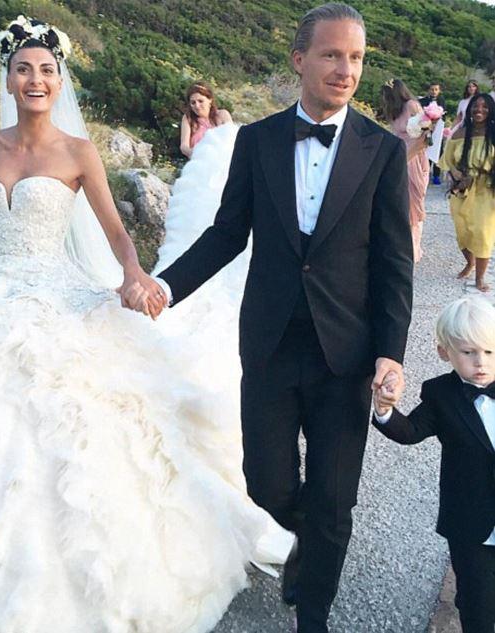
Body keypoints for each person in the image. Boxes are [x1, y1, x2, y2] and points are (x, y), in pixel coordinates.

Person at [0, 16, 292, 633]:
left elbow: (116, 230)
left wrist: (132, 274)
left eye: (46, 70)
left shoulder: (79, 152)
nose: (35, 80)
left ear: (60, 82)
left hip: (51, 285)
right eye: (23, 70)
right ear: (7, 79)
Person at [125, 4, 413, 632]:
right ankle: (303, 544)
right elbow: (228, 233)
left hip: (348, 352)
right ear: (299, 60)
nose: (346, 69)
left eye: (356, 57)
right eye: (332, 54)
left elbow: (395, 264)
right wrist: (165, 288)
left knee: (336, 501)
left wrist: (391, 350)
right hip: (271, 343)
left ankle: (314, 610)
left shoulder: (382, 152)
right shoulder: (255, 141)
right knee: (269, 487)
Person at [372, 296, 495, 633]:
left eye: (489, 351)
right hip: (471, 522)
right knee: (477, 601)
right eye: (468, 352)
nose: (480, 362)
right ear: (445, 353)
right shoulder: (441, 395)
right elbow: (411, 431)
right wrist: (384, 411)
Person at [439, 93, 495, 292]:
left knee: (482, 232)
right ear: (469, 109)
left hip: (486, 190)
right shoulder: (460, 133)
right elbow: (447, 160)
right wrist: (457, 176)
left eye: (485, 107)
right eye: (476, 106)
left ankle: (480, 277)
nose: (479, 110)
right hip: (460, 189)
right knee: (462, 232)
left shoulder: (493, 134)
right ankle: (469, 263)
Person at [380, 78, 430, 262]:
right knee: (401, 201)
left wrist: (412, 152)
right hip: (399, 155)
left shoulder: (411, 105)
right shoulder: (392, 110)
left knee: (414, 202)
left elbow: (425, 133)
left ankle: (414, 248)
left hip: (414, 157)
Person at [179, 82, 233, 158]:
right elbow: (184, 146)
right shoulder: (188, 118)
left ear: (210, 99)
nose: (197, 106)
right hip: (199, 162)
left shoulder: (223, 115)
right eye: (193, 103)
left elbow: (232, 140)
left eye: (200, 101)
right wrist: (195, 154)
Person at [420, 82, 447, 184]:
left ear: (439, 91)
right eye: (432, 89)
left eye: (436, 89)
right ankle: (425, 173)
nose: (434, 91)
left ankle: (436, 175)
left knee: (438, 150)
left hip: (438, 129)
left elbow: (444, 113)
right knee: (426, 150)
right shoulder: (423, 101)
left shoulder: (441, 101)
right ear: (429, 90)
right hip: (426, 128)